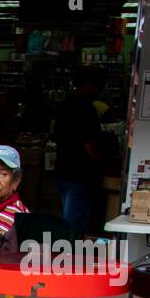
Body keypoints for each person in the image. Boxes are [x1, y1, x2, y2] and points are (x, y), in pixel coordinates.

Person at [52, 65, 107, 233]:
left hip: (63, 171)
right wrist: (103, 162)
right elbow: (89, 146)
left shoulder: (64, 105)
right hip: (79, 175)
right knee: (73, 225)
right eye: (98, 86)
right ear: (90, 85)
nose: (100, 90)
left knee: (69, 219)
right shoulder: (85, 109)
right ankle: (67, 249)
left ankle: (66, 246)